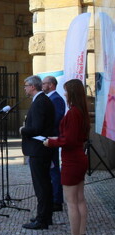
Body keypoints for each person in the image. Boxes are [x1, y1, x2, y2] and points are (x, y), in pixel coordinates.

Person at [44, 79, 90, 235]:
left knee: (71, 202)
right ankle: (82, 234)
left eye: (66, 91)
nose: (65, 94)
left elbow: (68, 140)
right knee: (80, 199)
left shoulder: (73, 113)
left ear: (72, 93)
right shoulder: (82, 112)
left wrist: (51, 143)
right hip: (80, 157)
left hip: (72, 160)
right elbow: (77, 138)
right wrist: (56, 139)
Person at [19, 75, 55, 230]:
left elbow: (38, 128)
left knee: (42, 186)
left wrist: (23, 130)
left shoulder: (40, 102)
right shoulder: (41, 100)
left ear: (33, 86)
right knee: (43, 184)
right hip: (40, 149)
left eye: (26, 86)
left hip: (39, 150)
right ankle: (45, 216)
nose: (25, 88)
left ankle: (42, 219)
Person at [42, 76, 66, 212]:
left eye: (44, 83)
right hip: (47, 138)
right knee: (50, 169)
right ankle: (52, 197)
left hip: (52, 138)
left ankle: (57, 200)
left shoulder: (56, 99)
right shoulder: (49, 99)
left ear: (51, 85)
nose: (42, 85)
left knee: (54, 169)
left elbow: (56, 119)